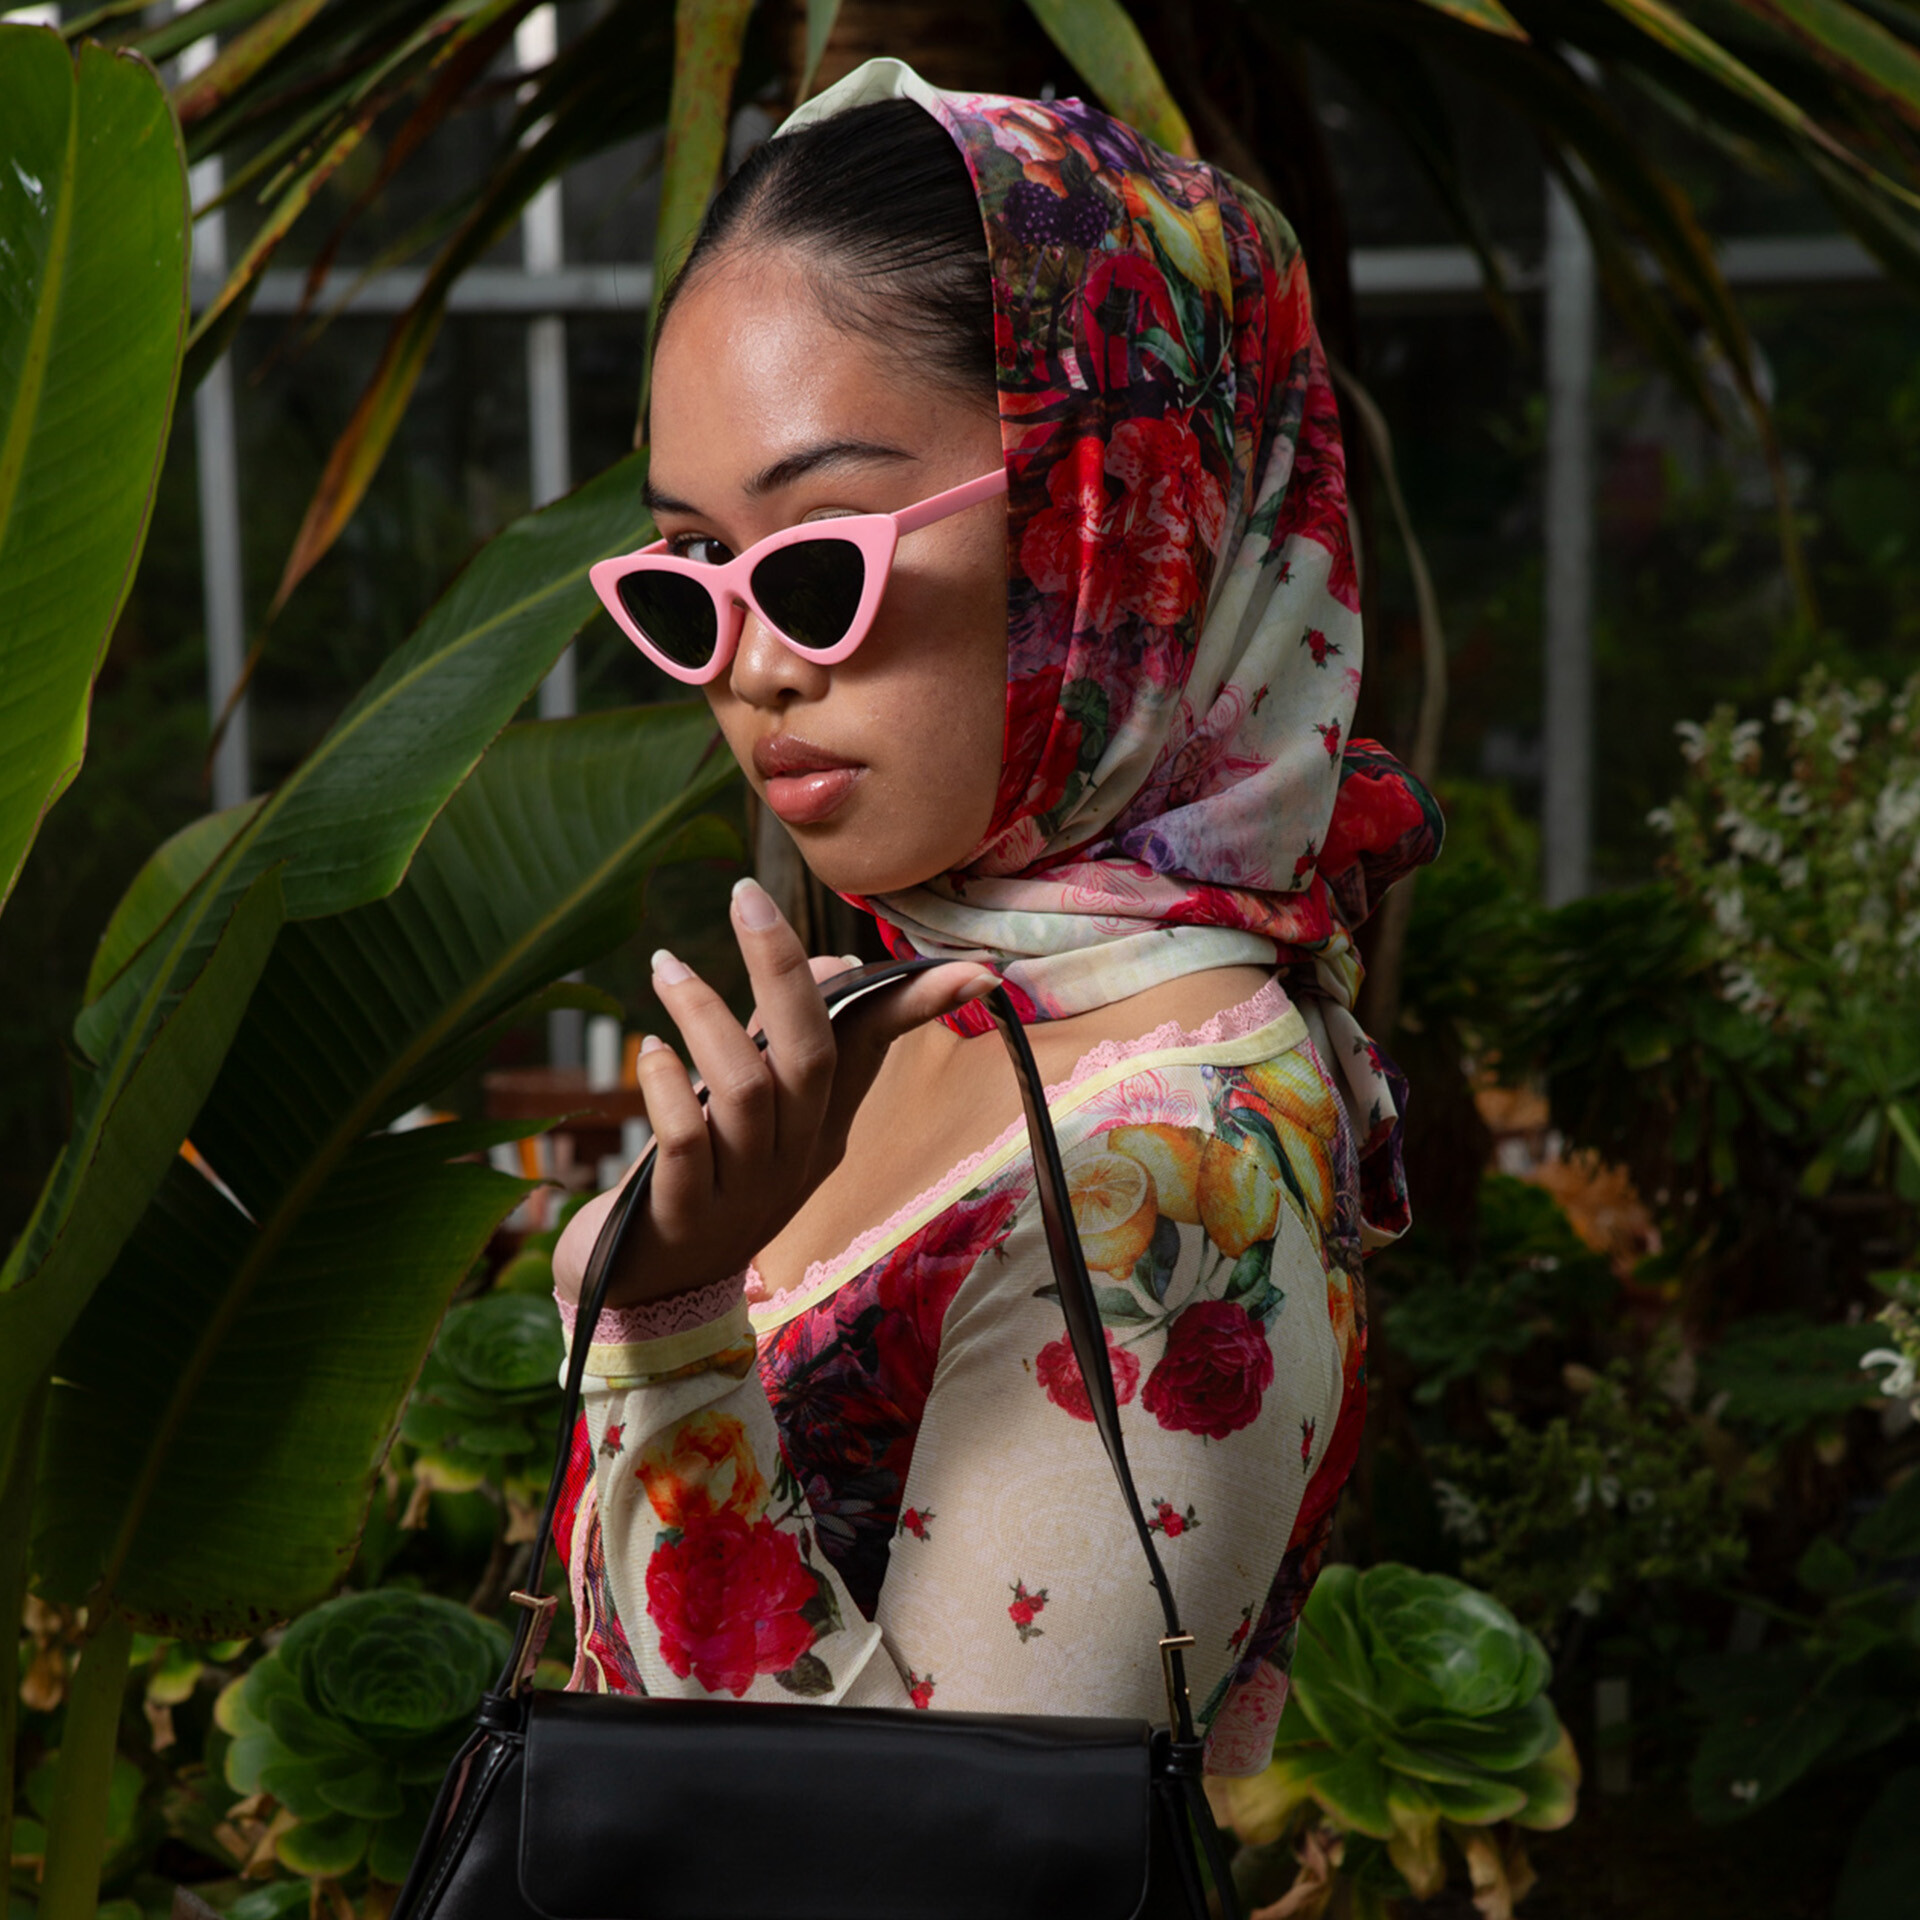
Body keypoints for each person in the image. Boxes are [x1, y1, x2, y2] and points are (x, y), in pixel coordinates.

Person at [550, 57, 1441, 1778]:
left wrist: (669, 1337)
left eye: (822, 561)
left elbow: (915, 1872)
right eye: (682, 580)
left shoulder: (1188, 1158)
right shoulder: (907, 1008)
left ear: (1121, 511)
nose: (753, 664)